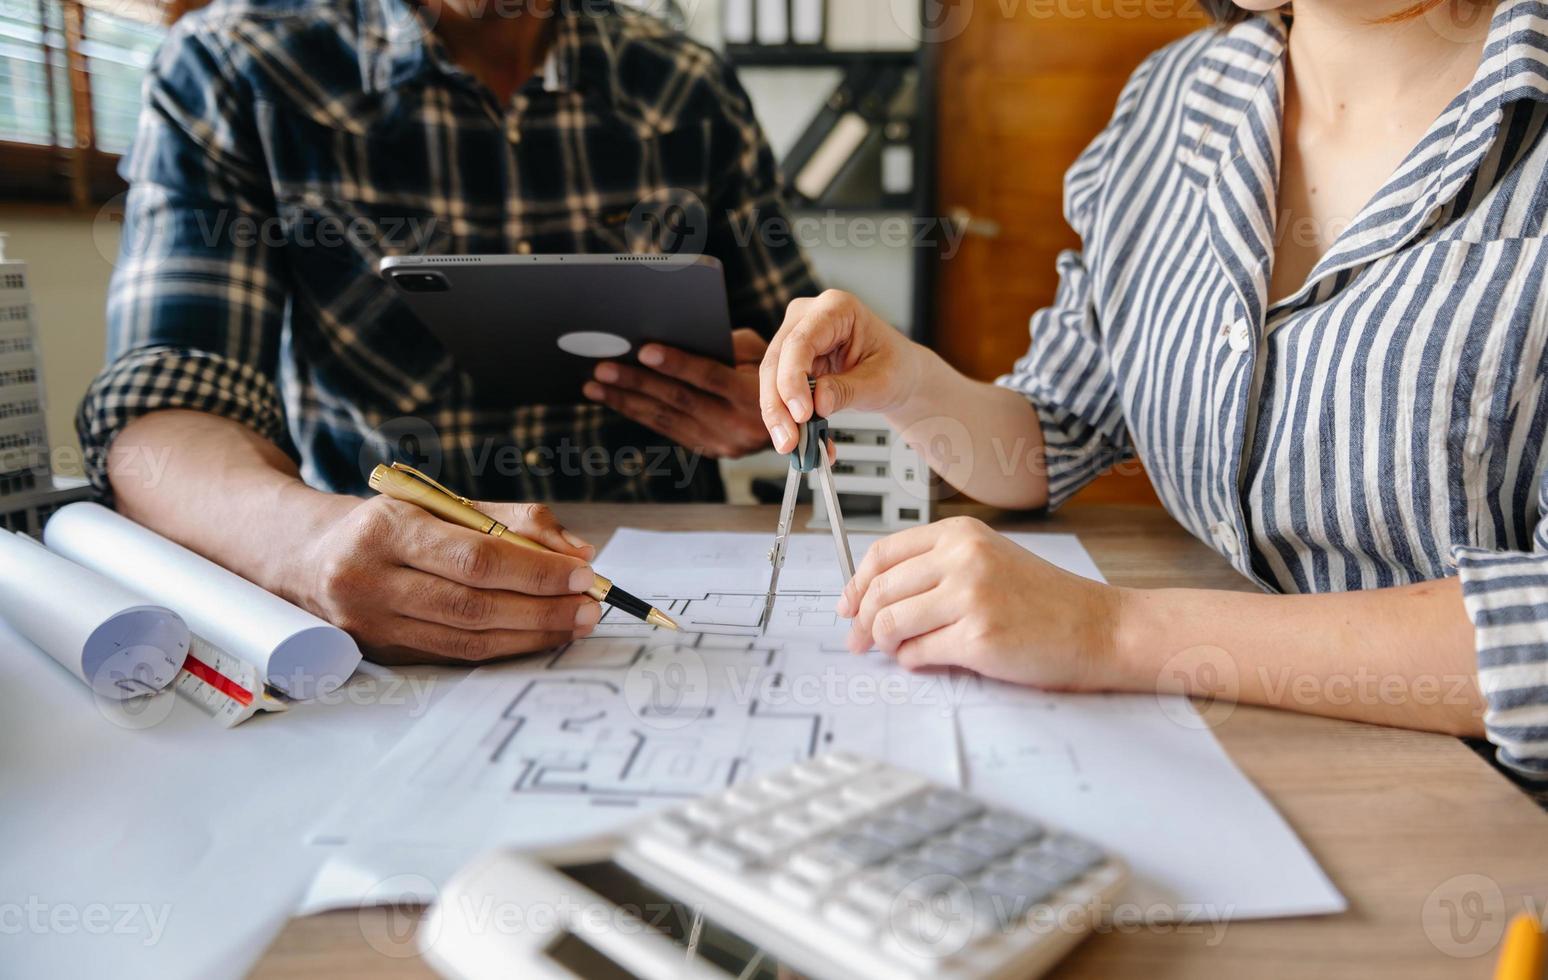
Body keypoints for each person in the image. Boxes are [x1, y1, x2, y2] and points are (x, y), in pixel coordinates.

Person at [759, 0, 1548, 777]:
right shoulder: (1172, 100)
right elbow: (1055, 428)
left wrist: (1110, 630)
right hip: (1220, 758)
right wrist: (908, 380)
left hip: (1472, 818)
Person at [78, 0, 818, 664]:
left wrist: (774, 400)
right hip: (373, 628)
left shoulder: (688, 81)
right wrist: (304, 548)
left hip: (674, 604)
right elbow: (161, 421)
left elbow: (811, 354)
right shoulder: (234, 66)